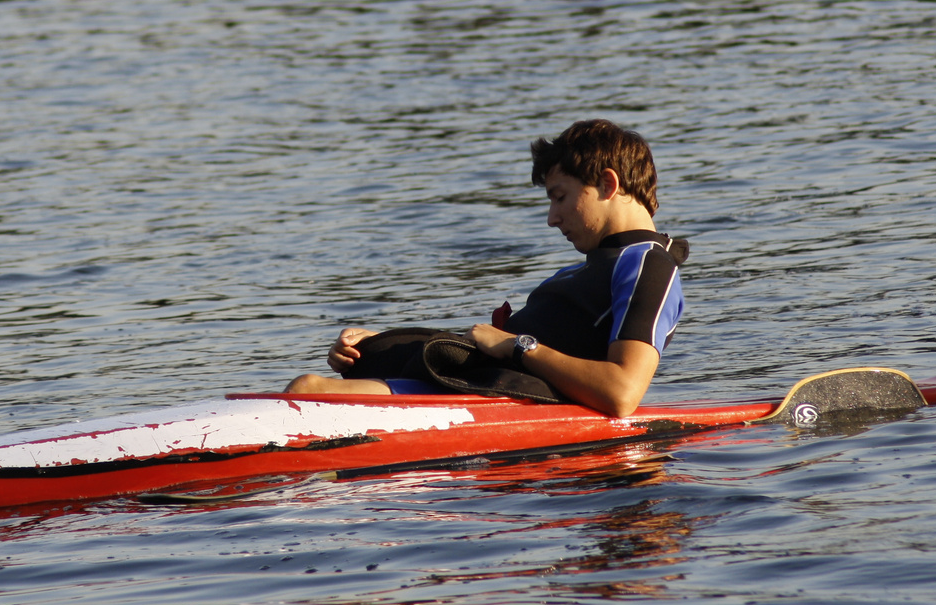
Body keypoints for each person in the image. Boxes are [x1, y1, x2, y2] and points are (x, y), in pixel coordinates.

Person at [284, 119, 685, 417]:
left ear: (608, 184)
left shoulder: (648, 264)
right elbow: (493, 345)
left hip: (500, 400)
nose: (552, 218)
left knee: (308, 390)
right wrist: (386, 343)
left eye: (559, 197)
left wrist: (518, 346)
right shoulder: (578, 273)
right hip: (478, 386)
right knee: (319, 380)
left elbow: (621, 393)